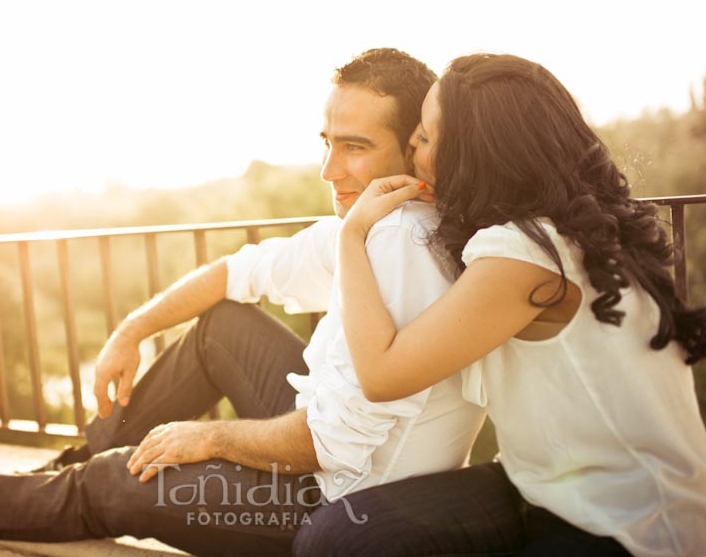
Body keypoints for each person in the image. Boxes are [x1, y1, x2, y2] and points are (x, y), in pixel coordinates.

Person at [0, 48, 486, 557]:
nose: (328, 170)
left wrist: (210, 437)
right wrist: (132, 328)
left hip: (345, 501)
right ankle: (65, 464)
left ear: (413, 150)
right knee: (222, 327)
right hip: (326, 441)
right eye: (327, 141)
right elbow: (239, 272)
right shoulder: (372, 225)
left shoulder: (402, 245)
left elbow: (328, 447)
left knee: (120, 483)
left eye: (354, 147)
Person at [294, 53, 706, 557]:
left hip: (623, 523)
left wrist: (353, 235)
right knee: (342, 534)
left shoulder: (524, 253)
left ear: (473, 153)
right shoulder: (580, 227)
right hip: (540, 482)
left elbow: (381, 377)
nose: (413, 152)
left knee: (336, 540)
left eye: (423, 138)